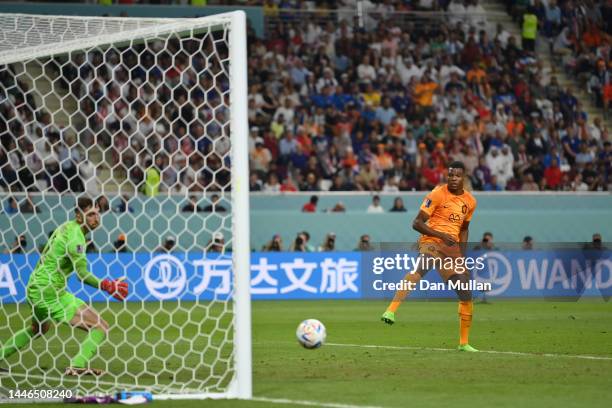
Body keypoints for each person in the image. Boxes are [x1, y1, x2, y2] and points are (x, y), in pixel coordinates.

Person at [0, 197, 128, 375]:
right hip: (50, 292)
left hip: (35, 286)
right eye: (90, 214)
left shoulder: (66, 227)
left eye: (98, 214)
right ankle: (77, 365)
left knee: (38, 329)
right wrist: (107, 285)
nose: (96, 218)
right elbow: (82, 275)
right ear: (78, 215)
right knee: (100, 326)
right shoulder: (77, 238)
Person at [381, 161, 479, 352]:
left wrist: (462, 255)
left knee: (465, 293)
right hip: (431, 240)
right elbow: (416, 223)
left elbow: (465, 229)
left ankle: (464, 343)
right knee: (422, 268)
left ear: (464, 177)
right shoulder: (437, 193)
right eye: (450, 175)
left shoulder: (470, 202)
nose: (453, 178)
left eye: (457, 175)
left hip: (451, 248)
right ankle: (391, 311)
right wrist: (441, 235)